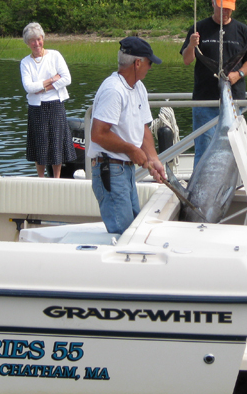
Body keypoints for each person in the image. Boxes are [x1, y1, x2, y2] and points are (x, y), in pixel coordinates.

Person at [87, 37, 166, 235]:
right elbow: (97, 134)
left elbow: (143, 128)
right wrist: (132, 149)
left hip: (125, 172)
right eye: (149, 63)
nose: (150, 67)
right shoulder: (113, 90)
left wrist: (153, 159)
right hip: (110, 170)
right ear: (138, 63)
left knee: (132, 231)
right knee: (123, 235)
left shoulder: (138, 87)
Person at [180, 0, 247, 166]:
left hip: (234, 102)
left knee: (234, 149)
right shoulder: (198, 28)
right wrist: (192, 45)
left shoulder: (243, 31)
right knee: (204, 149)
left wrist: (237, 75)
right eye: (221, 6)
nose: (225, 11)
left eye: (229, 8)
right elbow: (186, 60)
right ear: (213, 3)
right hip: (204, 102)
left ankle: (230, 188)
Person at [20, 22, 76, 178]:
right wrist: (51, 80)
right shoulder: (25, 62)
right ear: (27, 43)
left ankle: (56, 178)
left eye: (39, 39)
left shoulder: (55, 55)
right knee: (40, 144)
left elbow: (67, 79)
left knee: (56, 143)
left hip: (56, 105)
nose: (37, 43)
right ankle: (41, 178)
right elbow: (29, 87)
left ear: (42, 38)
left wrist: (43, 88)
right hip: (36, 108)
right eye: (33, 40)